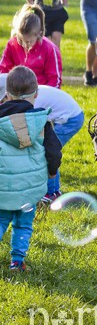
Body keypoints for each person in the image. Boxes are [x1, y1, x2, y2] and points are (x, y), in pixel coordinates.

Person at [0, 66, 62, 272]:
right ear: (36, 94)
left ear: (7, 94)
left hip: (3, 187)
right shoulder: (42, 122)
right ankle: (17, 261)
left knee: (1, 220)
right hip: (29, 188)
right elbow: (53, 152)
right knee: (23, 225)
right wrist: (52, 172)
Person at [0, 75, 83, 204]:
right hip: (70, 114)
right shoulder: (29, 96)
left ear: (8, 95)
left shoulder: (29, 105)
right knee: (50, 151)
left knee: (47, 152)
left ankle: (51, 193)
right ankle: (54, 191)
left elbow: (28, 127)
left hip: (70, 119)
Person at [0, 4, 63, 88]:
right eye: (21, 40)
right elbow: (3, 70)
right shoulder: (12, 44)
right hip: (18, 92)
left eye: (29, 42)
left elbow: (54, 80)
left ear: (39, 34)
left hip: (41, 93)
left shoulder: (49, 49)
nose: (25, 45)